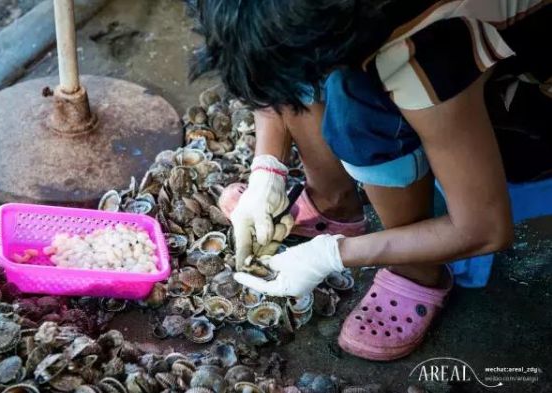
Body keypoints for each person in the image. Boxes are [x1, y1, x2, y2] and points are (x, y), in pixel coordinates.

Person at [189, 0, 552, 361]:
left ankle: (417, 270)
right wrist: (266, 172)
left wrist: (330, 257)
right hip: (433, 47)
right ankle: (333, 203)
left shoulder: (421, 49)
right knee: (289, 59)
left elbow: (485, 228)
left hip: (530, 101)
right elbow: (270, 60)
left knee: (357, 113)